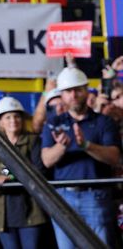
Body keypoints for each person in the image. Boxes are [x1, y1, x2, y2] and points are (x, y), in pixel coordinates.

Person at [41, 65, 121, 248]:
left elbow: (114, 157)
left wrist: (86, 145)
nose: (74, 95)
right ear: (62, 94)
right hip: (63, 199)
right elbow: (46, 160)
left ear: (86, 90)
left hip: (96, 198)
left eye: (78, 89)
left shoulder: (104, 122)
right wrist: (62, 146)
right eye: (68, 91)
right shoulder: (54, 124)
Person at [0, 97, 48, 248]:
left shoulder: (33, 141)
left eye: (17, 116)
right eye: (8, 117)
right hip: (3, 213)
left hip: (30, 209)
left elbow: (38, 170)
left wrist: (8, 177)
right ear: (0, 122)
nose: (13, 120)